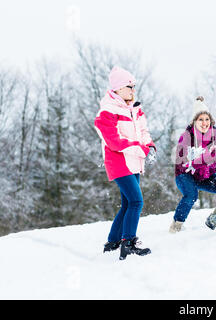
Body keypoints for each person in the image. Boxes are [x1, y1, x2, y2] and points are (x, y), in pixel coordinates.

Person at [94, 66, 155, 260]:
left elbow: (143, 132)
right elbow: (114, 141)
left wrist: (149, 145)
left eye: (133, 86)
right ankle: (128, 242)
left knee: (128, 203)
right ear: (118, 89)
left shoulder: (134, 109)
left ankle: (113, 241)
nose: (132, 90)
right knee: (136, 201)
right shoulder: (107, 111)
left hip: (134, 161)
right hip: (118, 161)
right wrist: (140, 148)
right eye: (129, 86)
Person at [171, 96, 216, 233]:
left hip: (206, 174)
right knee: (191, 195)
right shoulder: (187, 136)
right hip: (186, 173)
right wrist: (197, 158)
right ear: (195, 121)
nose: (204, 122)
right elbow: (183, 161)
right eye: (200, 119)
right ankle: (177, 224)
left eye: (207, 119)